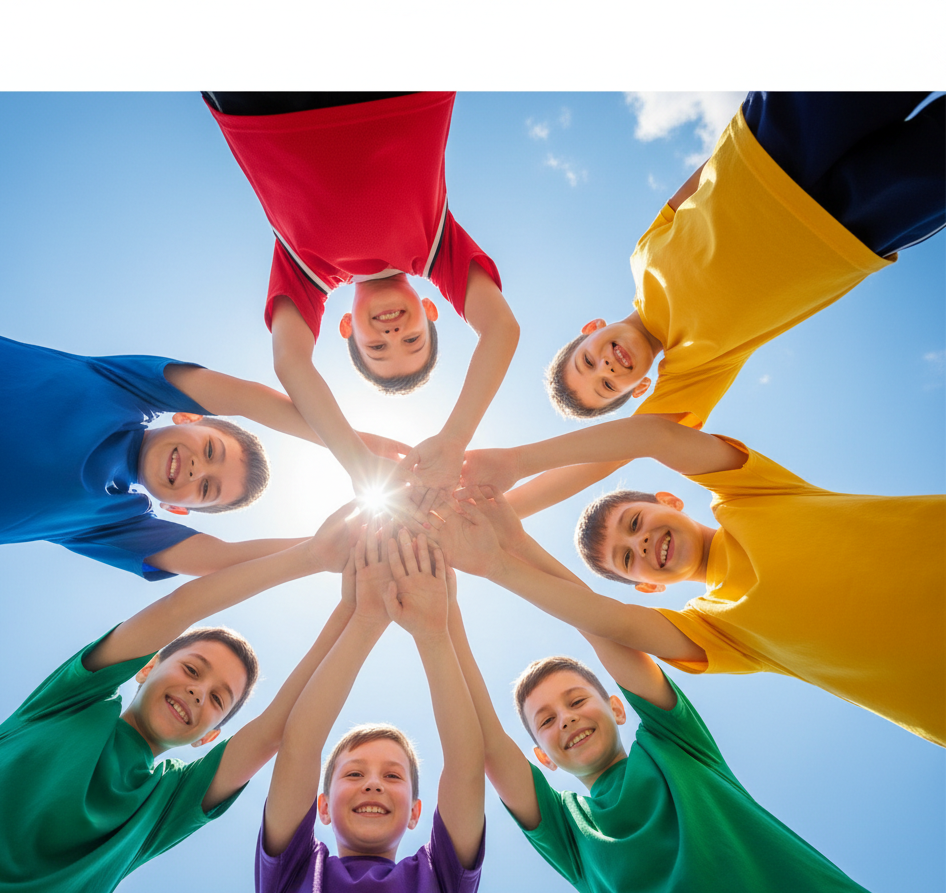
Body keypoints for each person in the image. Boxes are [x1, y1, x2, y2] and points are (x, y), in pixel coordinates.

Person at [428, 488, 926, 893]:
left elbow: (602, 625)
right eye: (547, 721)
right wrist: (442, 613)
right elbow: (487, 740)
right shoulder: (569, 833)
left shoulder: (674, 743)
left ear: (619, 709)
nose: (567, 719)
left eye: (576, 700)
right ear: (543, 757)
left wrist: (513, 547)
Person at [0, 501, 360, 893]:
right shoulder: (73, 700)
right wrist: (310, 557)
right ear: (147, 666)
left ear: (207, 738)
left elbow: (272, 732)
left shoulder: (167, 801)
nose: (197, 691)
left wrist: (355, 611)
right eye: (192, 669)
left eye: (217, 700)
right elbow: (178, 608)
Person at [506, 91, 945, 517]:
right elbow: (607, 457)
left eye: (588, 362)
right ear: (639, 389)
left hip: (771, 145)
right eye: (608, 387)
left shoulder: (642, 258)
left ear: (591, 327)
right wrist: (510, 500)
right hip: (850, 228)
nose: (606, 368)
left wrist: (743, 131)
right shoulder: (693, 373)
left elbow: (689, 193)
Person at [447, 452, 944, 748]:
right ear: (648, 587)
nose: (639, 544)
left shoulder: (748, 495)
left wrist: (522, 467)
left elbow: (654, 435)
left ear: (669, 499)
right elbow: (608, 620)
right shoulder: (718, 629)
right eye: (627, 559)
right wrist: (503, 557)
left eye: (635, 523)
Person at [203, 91, 520, 501]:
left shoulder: (304, 270)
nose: (392, 333)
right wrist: (455, 437)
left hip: (265, 113)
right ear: (429, 309)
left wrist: (357, 460)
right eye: (412, 340)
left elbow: (290, 363)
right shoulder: (439, 245)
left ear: (347, 326)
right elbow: (501, 329)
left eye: (376, 347)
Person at [0, 312, 404, 578]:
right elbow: (247, 401)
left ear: (178, 511)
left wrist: (330, 548)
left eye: (207, 490)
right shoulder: (122, 387)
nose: (197, 471)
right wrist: (361, 450)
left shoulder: (110, 524)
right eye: (211, 451)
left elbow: (223, 559)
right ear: (191, 416)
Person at [256, 524, 485, 893]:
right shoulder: (291, 872)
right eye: (355, 772)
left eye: (393, 775)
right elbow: (299, 747)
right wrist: (365, 619)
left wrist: (434, 634)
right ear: (321, 805)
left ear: (417, 812)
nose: (373, 784)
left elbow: (466, 766)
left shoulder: (442, 878)